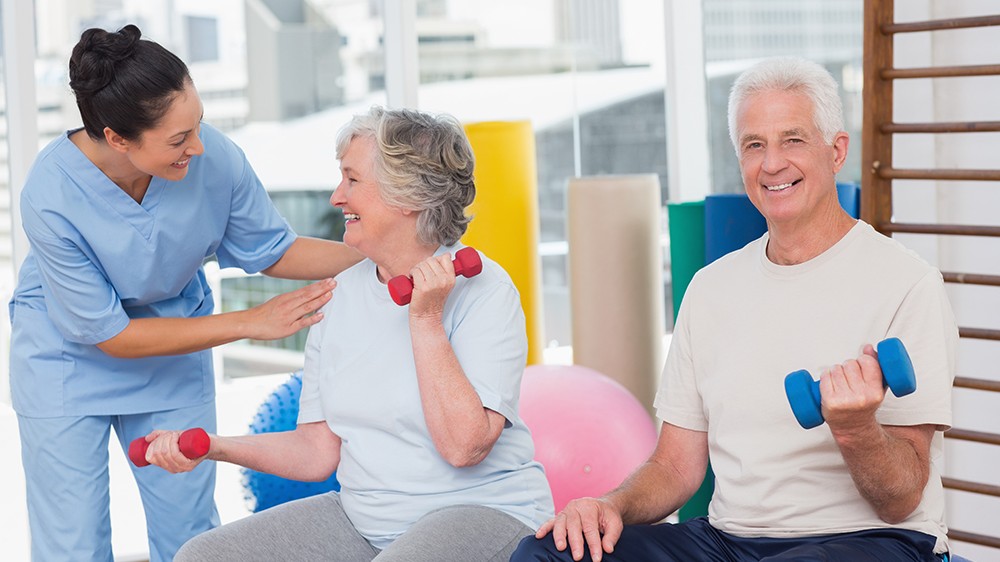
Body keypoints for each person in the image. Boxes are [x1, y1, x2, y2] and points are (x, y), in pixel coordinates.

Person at [512, 57, 958, 562]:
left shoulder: (906, 283)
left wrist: (855, 429)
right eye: (754, 145)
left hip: (871, 540)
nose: (771, 164)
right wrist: (610, 504)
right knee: (546, 554)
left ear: (836, 152)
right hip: (728, 542)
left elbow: (901, 501)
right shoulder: (710, 289)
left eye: (792, 139)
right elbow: (677, 466)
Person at [10, 25, 363, 562]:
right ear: (117, 138)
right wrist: (251, 322)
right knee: (72, 544)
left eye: (197, 125)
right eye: (178, 139)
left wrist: (382, 247)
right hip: (67, 357)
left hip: (173, 353)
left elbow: (273, 250)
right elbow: (113, 335)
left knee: (190, 535)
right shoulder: (50, 192)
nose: (197, 147)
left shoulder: (212, 157)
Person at [140, 105, 554, 561]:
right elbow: (317, 451)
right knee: (203, 557)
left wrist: (426, 319)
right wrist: (212, 447)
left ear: (408, 195)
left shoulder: (484, 290)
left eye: (352, 180)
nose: (337, 197)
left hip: (483, 511)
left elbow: (464, 446)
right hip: (365, 522)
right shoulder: (340, 296)